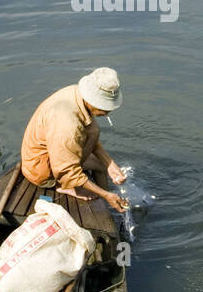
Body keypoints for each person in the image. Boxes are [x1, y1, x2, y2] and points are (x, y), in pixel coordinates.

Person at [21, 68, 128, 212]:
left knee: (100, 162)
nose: (107, 112)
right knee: (70, 175)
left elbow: (90, 135)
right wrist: (105, 194)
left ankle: (108, 206)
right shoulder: (67, 125)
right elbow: (66, 170)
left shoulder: (76, 94)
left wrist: (109, 163)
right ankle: (64, 186)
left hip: (58, 149)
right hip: (42, 170)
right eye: (104, 107)